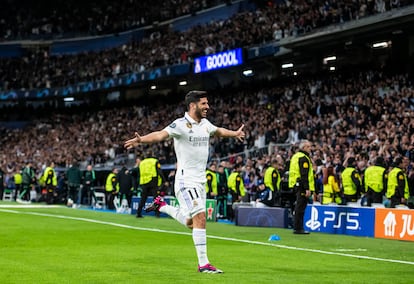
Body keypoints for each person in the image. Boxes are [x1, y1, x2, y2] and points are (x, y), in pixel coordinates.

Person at [124, 90, 245, 274]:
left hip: (200, 181)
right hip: (185, 181)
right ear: (192, 105)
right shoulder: (180, 125)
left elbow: (218, 131)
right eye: (204, 103)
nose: (207, 107)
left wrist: (234, 133)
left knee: (191, 222)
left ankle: (162, 206)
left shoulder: (205, 124)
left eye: (207, 103)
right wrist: (142, 140)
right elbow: (160, 135)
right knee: (201, 218)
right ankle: (204, 264)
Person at [288, 140, 315, 234]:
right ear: (303, 148)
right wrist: (307, 188)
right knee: (300, 207)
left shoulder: (295, 156)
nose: (310, 148)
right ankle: (298, 228)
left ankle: (297, 227)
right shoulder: (304, 158)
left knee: (298, 206)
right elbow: (304, 174)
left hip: (296, 184)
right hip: (302, 185)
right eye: (308, 147)